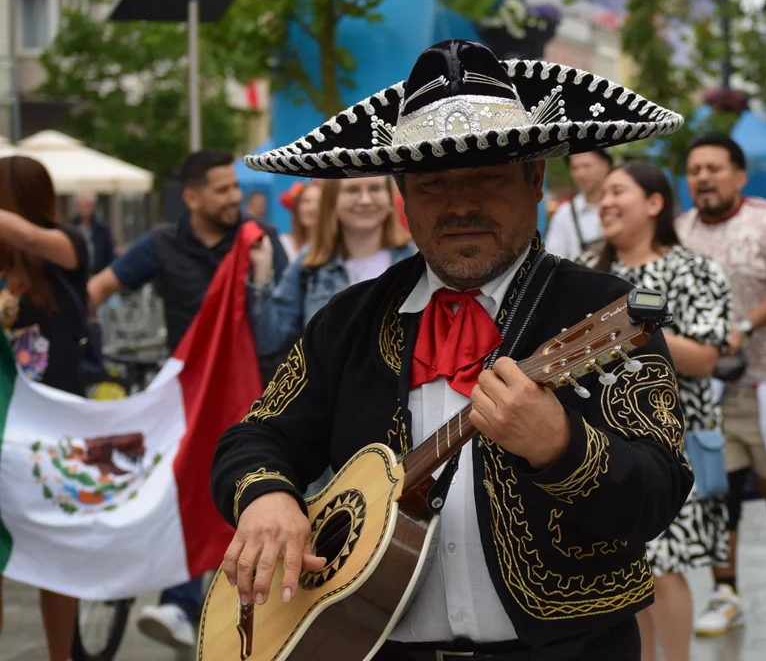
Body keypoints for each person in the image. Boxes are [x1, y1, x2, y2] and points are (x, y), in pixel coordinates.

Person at [212, 38, 693, 660]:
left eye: (488, 177)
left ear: (535, 178)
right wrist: (265, 496)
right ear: (403, 196)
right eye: (435, 183)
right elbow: (253, 437)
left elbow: (658, 495)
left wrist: (560, 446)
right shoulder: (350, 320)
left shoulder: (602, 314)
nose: (462, 204)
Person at [86, 148, 288, 650]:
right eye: (222, 190)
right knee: (186, 487)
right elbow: (99, 288)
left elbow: (280, 313)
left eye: (235, 188)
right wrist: (68, 335)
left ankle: (218, 614)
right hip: (190, 398)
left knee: (234, 492)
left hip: (252, 391)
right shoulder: (160, 245)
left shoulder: (258, 241)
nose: (234, 198)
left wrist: (262, 272)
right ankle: (182, 605)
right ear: (192, 197)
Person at [578, 161, 731, 661]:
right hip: (597, 446)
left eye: (618, 191)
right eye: (601, 195)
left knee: (664, 566)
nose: (605, 202)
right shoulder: (581, 272)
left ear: (654, 202)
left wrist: (633, 331)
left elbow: (707, 357)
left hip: (673, 445)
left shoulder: (694, 270)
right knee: (624, 567)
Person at [674, 134, 766, 635]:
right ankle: (726, 590)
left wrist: (746, 325)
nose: (704, 177)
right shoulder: (679, 232)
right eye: (695, 169)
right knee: (719, 489)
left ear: (739, 175)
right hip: (707, 391)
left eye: (715, 168)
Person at [0, 156, 90, 661]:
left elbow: (33, 240)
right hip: (3, 429)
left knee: (56, 554)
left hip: (57, 431)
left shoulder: (68, 246)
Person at [248, 174, 415, 358]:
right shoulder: (310, 263)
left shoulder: (415, 261)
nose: (366, 200)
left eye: (375, 189)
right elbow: (269, 341)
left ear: (390, 197)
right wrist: (262, 275)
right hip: (329, 385)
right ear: (332, 199)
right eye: (352, 190)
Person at [543, 149, 611, 258]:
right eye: (575, 168)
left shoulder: (621, 207)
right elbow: (555, 259)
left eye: (586, 166)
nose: (580, 174)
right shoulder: (565, 214)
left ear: (605, 165)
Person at [71, 191, 116, 275]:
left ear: (93, 206)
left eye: (87, 206)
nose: (84, 210)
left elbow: (110, 255)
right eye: (81, 206)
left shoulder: (103, 230)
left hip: (98, 274)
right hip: (76, 276)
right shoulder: (70, 228)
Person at [278, 181, 322, 260]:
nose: (312, 208)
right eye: (306, 201)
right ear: (296, 207)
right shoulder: (283, 244)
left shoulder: (334, 247)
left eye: (319, 202)